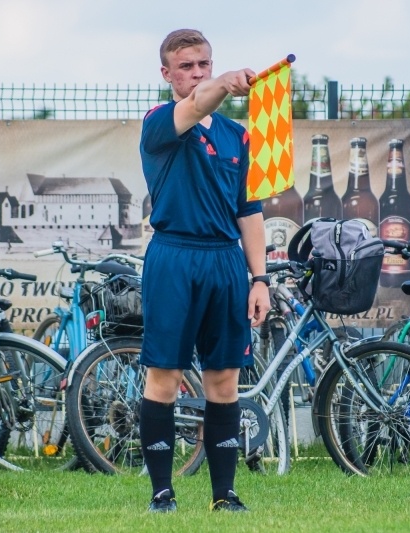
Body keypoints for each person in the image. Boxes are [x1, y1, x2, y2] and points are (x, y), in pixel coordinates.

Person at [138, 28, 270, 513]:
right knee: (165, 377)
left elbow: (248, 211)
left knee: (224, 381)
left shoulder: (238, 135)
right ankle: (162, 494)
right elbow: (196, 105)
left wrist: (260, 279)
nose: (196, 73)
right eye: (186, 66)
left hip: (226, 261)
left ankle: (224, 495)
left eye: (204, 65)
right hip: (173, 257)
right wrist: (226, 82)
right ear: (167, 74)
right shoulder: (159, 122)